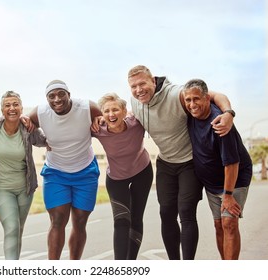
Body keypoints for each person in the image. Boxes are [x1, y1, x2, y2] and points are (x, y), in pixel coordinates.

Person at [127, 65, 234, 260]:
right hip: (165, 163)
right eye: (133, 86)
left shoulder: (176, 94)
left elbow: (214, 95)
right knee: (166, 213)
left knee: (186, 212)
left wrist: (228, 113)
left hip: (189, 163)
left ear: (153, 80)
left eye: (142, 83)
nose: (138, 89)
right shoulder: (135, 103)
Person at [26, 79, 102, 260]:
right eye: (51, 96)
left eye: (61, 94)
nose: (57, 99)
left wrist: (102, 119)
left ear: (69, 94)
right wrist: (42, 141)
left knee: (80, 222)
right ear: (47, 99)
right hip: (56, 172)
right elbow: (27, 129)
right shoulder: (40, 112)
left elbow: (104, 121)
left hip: (85, 171)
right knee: (58, 221)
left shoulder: (87, 108)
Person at [182, 78, 252, 260]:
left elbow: (232, 163)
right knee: (219, 224)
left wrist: (228, 195)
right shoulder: (191, 112)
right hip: (211, 182)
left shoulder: (220, 124)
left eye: (196, 99)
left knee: (229, 223)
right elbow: (215, 95)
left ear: (207, 99)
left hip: (234, 178)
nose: (191, 104)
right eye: (188, 100)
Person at [0, 91, 47, 260]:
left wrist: (36, 122)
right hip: (1, 188)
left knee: (18, 230)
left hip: (25, 189)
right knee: (11, 227)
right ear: (2, 109)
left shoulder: (27, 127)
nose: (12, 108)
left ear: (21, 107)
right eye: (7, 105)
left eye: (15, 104)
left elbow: (46, 141)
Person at [91, 93, 153, 259]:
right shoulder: (97, 130)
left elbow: (152, 114)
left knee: (136, 218)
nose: (111, 114)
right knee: (121, 221)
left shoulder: (137, 123)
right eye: (107, 111)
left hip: (142, 172)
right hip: (116, 178)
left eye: (115, 109)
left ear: (124, 111)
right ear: (101, 114)